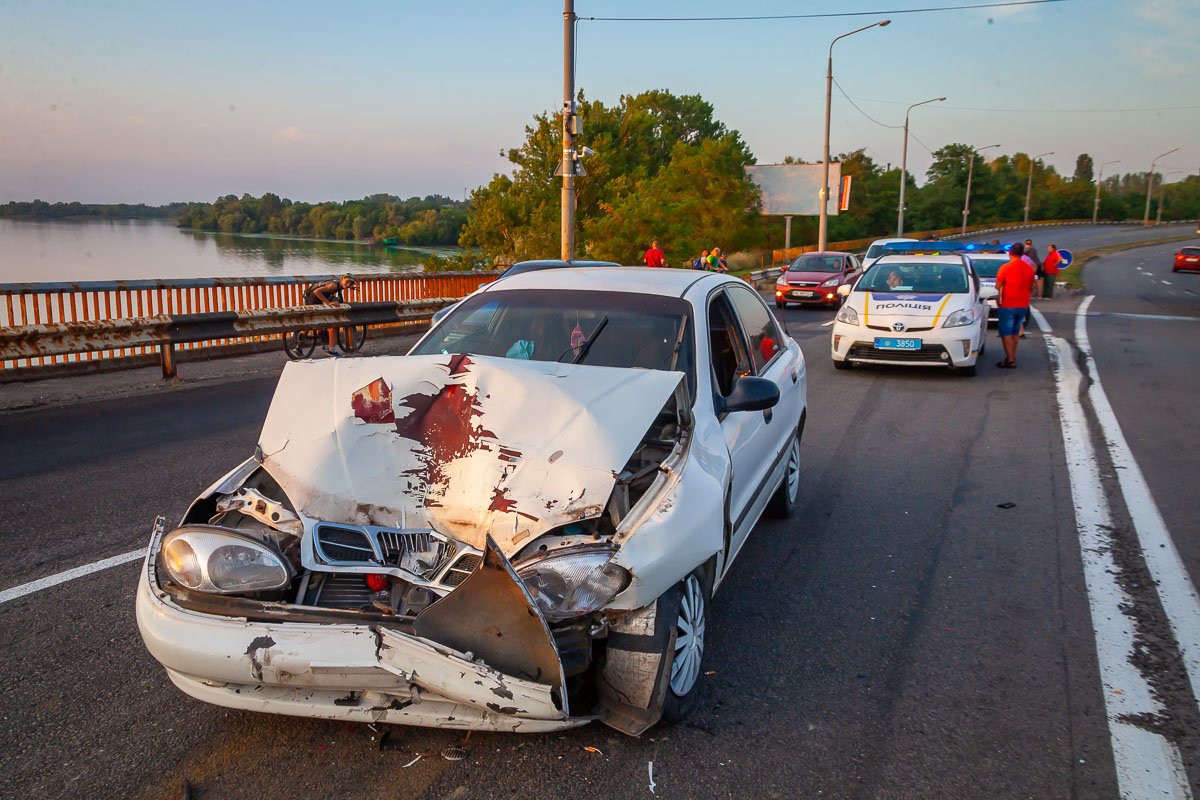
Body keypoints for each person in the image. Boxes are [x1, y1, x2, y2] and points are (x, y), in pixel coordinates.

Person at [994, 242, 1035, 369]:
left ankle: (1011, 360)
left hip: (1008, 304)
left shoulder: (1005, 267)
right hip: (1023, 304)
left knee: (1006, 333)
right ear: (1022, 253)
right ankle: (1011, 357)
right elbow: (1030, 288)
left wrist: (998, 302)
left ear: (1010, 253)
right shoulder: (1029, 269)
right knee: (1015, 332)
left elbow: (997, 289)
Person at [304, 273, 357, 355]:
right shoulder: (333, 286)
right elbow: (317, 292)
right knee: (333, 325)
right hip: (314, 300)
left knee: (328, 318)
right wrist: (328, 303)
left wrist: (349, 286)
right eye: (347, 282)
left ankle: (323, 337)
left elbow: (344, 285)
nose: (348, 284)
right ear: (342, 278)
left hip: (310, 298)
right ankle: (331, 350)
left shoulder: (337, 283)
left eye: (351, 283)